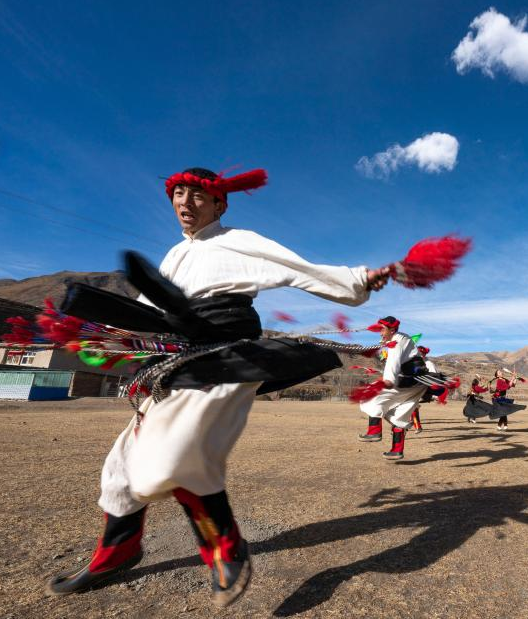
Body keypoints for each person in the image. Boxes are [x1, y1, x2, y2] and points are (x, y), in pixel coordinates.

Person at [46, 166, 393, 607]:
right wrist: (102, 332)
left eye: (196, 196)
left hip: (224, 357)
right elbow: (149, 309)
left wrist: (358, 279)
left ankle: (225, 550)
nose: (185, 203)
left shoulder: (239, 241)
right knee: (121, 467)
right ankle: (118, 551)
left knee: (172, 456)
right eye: (178, 195)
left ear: (219, 204)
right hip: (177, 361)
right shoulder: (174, 255)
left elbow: (296, 267)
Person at [357, 316, 428, 458]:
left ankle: (374, 431)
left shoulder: (396, 343)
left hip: (407, 382)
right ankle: (396, 450)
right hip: (418, 384)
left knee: (369, 394)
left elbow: (393, 364)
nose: (380, 333)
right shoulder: (403, 338)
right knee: (399, 414)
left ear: (392, 330)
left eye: (383, 330)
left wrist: (388, 380)